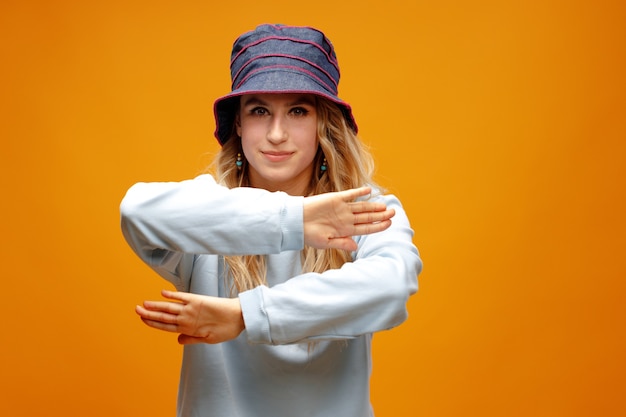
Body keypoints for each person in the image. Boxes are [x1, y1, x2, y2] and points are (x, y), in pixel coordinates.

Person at [120, 23, 422, 417]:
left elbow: (393, 283)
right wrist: (295, 220)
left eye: (298, 110)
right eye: (259, 110)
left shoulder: (362, 211)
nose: (277, 134)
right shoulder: (211, 210)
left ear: (322, 123)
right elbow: (136, 211)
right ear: (239, 124)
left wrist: (246, 315)